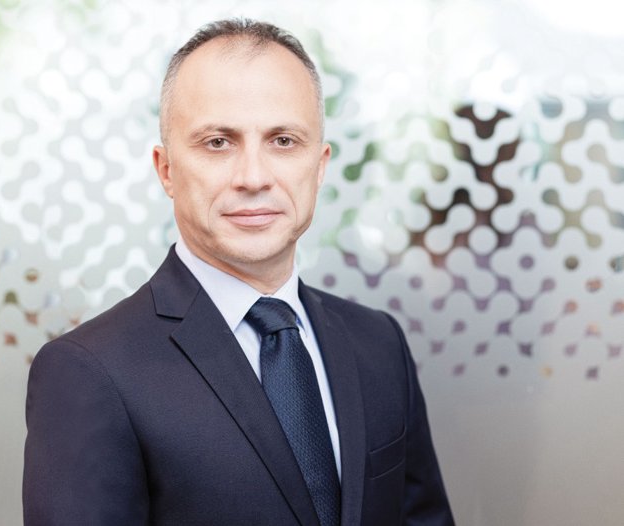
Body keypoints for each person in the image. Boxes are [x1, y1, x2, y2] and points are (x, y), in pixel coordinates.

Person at [22, 18, 454, 526]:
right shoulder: (89, 371)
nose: (253, 177)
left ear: (320, 165)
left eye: (283, 141)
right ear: (166, 169)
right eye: (218, 142)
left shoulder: (378, 344)